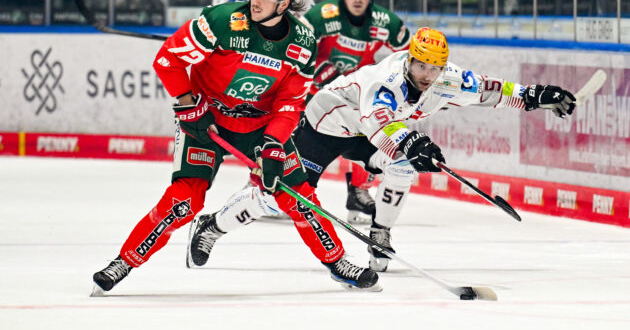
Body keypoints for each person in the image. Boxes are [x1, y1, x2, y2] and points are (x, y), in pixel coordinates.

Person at [92, 0, 381, 294]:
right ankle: (123, 262)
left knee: (300, 198)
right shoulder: (222, 21)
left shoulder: (302, 42)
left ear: (285, 2)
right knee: (183, 202)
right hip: (206, 122)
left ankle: (337, 262)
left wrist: (274, 145)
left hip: (260, 127)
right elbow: (167, 59)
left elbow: (289, 103)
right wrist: (189, 106)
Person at [187, 26, 576, 273]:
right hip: (326, 125)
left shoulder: (448, 78)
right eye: (420, 65)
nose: (426, 75)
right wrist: (411, 141)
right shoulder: (384, 80)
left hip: (368, 132)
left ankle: (381, 234)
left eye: (433, 69)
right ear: (410, 58)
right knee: (277, 198)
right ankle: (211, 227)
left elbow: (491, 90)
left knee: (403, 167)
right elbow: (379, 123)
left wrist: (537, 96)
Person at [302, 0, 411, 224]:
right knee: (296, 142)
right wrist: (323, 72)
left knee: (373, 131)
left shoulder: (384, 21)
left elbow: (411, 53)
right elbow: (299, 48)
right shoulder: (322, 15)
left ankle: (359, 191)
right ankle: (270, 185)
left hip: (353, 94)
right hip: (315, 94)